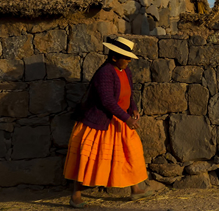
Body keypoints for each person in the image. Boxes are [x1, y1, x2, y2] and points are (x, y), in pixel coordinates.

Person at [63, 36, 152, 208]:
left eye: (129, 58)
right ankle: (76, 195)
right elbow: (107, 101)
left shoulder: (125, 71)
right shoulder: (105, 73)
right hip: (100, 123)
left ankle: (136, 189)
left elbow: (129, 94)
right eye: (125, 58)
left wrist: (132, 108)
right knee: (90, 159)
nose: (128, 61)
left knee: (131, 153)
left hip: (119, 121)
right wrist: (126, 119)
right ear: (114, 57)